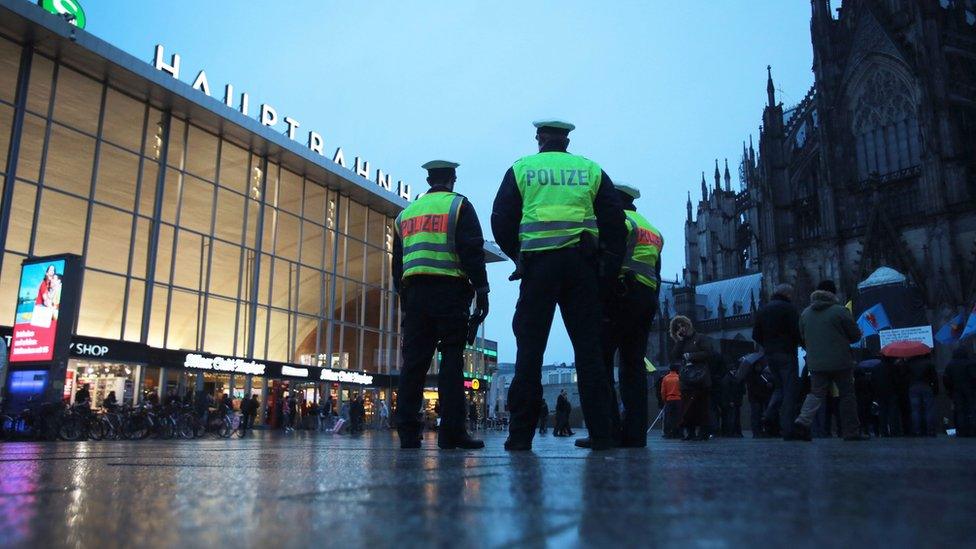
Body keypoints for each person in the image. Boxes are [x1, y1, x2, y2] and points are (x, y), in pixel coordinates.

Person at [492, 119, 627, 452]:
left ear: (540, 139)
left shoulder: (523, 168)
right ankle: (602, 433)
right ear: (567, 141)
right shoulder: (590, 170)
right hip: (582, 266)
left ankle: (520, 436)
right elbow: (615, 222)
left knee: (529, 352)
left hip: (538, 267)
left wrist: (518, 256)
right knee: (590, 353)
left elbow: (501, 217)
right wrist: (603, 265)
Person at [392, 160, 489, 450]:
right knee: (451, 362)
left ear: (429, 180)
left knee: (413, 365)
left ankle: (408, 433)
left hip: (416, 295)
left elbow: (397, 265)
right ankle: (452, 433)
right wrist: (482, 290)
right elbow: (472, 252)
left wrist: (405, 300)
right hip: (449, 292)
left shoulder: (405, 215)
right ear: (453, 179)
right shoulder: (458, 207)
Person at [589, 183, 662, 448]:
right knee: (634, 366)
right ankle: (635, 434)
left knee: (603, 361)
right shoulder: (652, 229)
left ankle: (609, 430)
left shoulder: (619, 220)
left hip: (618, 295)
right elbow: (657, 271)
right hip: (646, 298)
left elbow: (608, 260)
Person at [791, 280, 868, 441]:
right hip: (841, 361)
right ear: (833, 293)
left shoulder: (805, 314)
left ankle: (803, 420)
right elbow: (854, 336)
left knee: (816, 394)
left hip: (816, 362)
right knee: (847, 395)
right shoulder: (840, 311)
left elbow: (802, 337)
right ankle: (851, 431)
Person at [752, 283, 803, 439]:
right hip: (786, 353)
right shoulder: (789, 309)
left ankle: (768, 415)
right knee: (789, 390)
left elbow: (755, 335)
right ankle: (788, 429)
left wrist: (768, 345)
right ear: (787, 295)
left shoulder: (763, 310)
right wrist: (799, 344)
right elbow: (797, 331)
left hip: (770, 355)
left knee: (779, 388)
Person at [670, 315, 716, 441]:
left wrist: (691, 356)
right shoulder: (681, 342)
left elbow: (709, 352)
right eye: (677, 328)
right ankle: (690, 433)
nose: (681, 329)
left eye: (682, 325)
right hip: (686, 379)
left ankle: (703, 432)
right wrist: (679, 341)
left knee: (702, 406)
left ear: (688, 325)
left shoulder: (700, 337)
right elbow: (674, 355)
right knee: (687, 407)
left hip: (700, 378)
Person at [944, 347, 976, 437]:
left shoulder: (950, 364)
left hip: (956, 390)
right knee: (972, 409)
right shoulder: (970, 363)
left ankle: (961, 430)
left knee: (959, 411)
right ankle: (972, 429)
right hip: (970, 390)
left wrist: (949, 390)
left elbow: (946, 379)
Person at [906, 354, 939, 436]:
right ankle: (930, 430)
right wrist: (935, 389)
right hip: (926, 386)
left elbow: (905, 377)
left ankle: (917, 430)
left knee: (915, 410)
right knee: (929, 409)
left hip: (913, 387)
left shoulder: (909, 363)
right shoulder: (929, 363)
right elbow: (934, 378)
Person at [660, 364, 682, 439]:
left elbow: (663, 391)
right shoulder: (679, 378)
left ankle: (668, 433)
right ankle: (677, 433)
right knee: (678, 417)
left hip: (669, 400)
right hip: (678, 399)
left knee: (668, 417)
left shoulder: (666, 378)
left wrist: (664, 399)